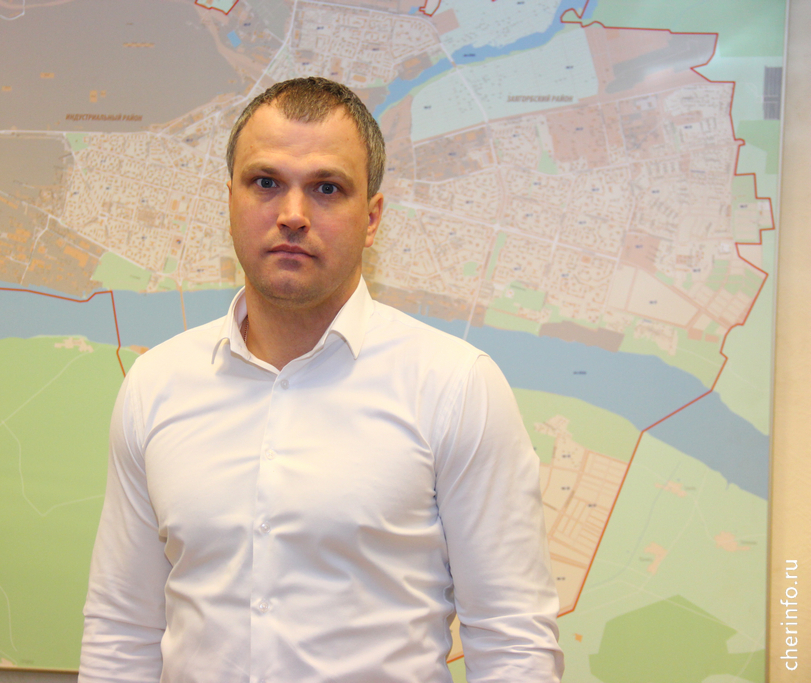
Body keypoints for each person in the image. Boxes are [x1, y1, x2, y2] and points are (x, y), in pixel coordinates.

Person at [79, 77, 564, 682]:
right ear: (230, 200)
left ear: (372, 218)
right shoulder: (156, 384)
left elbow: (513, 642)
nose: (292, 215)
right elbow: (123, 628)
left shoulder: (455, 387)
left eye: (326, 188)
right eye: (265, 182)